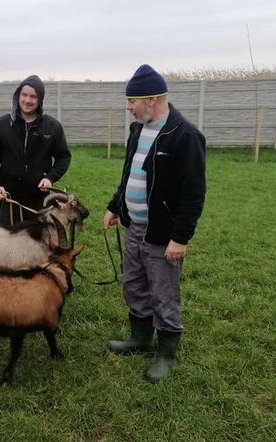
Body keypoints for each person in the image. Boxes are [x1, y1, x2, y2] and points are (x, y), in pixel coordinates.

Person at [104, 64, 206, 382]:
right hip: (134, 226)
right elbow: (130, 174)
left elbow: (193, 192)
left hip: (162, 234)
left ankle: (166, 353)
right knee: (133, 283)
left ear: (150, 100)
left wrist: (180, 238)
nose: (127, 107)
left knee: (163, 293)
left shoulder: (185, 135)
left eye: (131, 101)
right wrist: (115, 205)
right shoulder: (138, 130)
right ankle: (140, 338)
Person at [0, 75, 71, 225]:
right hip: (9, 199)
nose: (27, 100)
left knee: (38, 245)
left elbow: (63, 157)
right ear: (18, 96)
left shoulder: (52, 127)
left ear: (40, 100)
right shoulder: (2, 125)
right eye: (24, 95)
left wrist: (50, 178)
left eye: (33, 96)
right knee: (6, 244)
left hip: (39, 201)